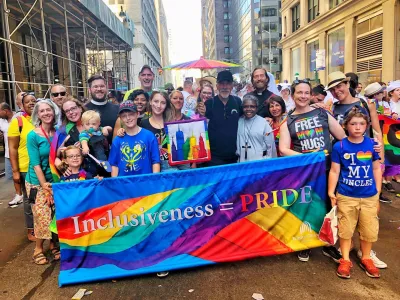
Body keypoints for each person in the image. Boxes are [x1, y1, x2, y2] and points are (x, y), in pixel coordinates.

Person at [279, 79, 346, 262]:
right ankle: (306, 243)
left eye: (306, 93)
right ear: (293, 95)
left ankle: (328, 244)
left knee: (330, 206)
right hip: (306, 173)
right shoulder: (288, 120)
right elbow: (284, 149)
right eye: (299, 93)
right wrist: (308, 158)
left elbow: (342, 137)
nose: (303, 96)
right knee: (308, 207)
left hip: (329, 170)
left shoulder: (323, 113)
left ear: (311, 95)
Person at [327, 72, 387, 269]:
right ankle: (346, 250)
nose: (337, 91)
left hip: (367, 156)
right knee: (345, 213)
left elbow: (377, 131)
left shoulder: (365, 102)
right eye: (333, 89)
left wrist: (381, 155)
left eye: (340, 86)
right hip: (343, 157)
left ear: (347, 83)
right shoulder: (332, 107)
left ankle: (366, 252)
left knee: (368, 215)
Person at [328, 108, 381, 279]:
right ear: (345, 126)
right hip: (346, 195)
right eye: (353, 124)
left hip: (369, 196)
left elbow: (376, 169)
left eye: (361, 124)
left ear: (367, 125)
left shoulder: (372, 145)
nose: (357, 127)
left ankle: (366, 257)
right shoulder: (340, 146)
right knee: (345, 228)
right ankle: (345, 259)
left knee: (369, 228)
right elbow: (335, 171)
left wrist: (377, 193)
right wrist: (331, 192)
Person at [25, 99, 60, 265]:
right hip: (36, 182)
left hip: (54, 180)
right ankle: (38, 249)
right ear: (37, 115)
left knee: (54, 213)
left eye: (49, 110)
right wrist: (44, 185)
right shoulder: (33, 135)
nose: (46, 113)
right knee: (42, 214)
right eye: (42, 111)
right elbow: (36, 164)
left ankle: (53, 244)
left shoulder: (57, 132)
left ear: (54, 112)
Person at [8, 92, 36, 241]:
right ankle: (31, 229)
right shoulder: (18, 121)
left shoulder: (41, 119)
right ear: (22, 105)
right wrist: (15, 171)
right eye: (28, 102)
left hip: (42, 167)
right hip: (26, 168)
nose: (31, 103)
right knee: (29, 199)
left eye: (34, 101)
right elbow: (12, 148)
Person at [141, 91, 190, 172]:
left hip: (172, 169)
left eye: (163, 103)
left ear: (166, 105)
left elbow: (182, 153)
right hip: (151, 168)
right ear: (150, 102)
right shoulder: (143, 123)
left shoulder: (172, 123)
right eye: (156, 101)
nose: (159, 106)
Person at [202, 70, 243, 166]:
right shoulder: (209, 103)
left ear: (232, 86)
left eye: (228, 83)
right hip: (214, 158)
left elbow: (246, 119)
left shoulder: (237, 102)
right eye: (221, 83)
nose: (225, 87)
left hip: (235, 156)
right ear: (217, 86)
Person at [108, 101, 160, 176]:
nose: (128, 118)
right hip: (124, 184)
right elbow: (114, 165)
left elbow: (155, 162)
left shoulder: (149, 136)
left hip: (145, 182)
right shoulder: (117, 140)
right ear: (120, 119)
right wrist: (116, 183)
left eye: (131, 114)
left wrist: (155, 180)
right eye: (124, 116)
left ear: (137, 114)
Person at [237, 94, 277, 162]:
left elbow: (271, 147)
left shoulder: (264, 123)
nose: (249, 109)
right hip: (242, 162)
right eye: (245, 106)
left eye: (252, 106)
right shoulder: (239, 121)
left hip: (260, 163)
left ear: (257, 108)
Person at [0, 103, 23, 206]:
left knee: (23, 174)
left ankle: (25, 194)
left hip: (20, 152)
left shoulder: (18, 117)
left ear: (5, 111)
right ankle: (18, 195)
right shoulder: (1, 121)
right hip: (8, 153)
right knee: (14, 175)